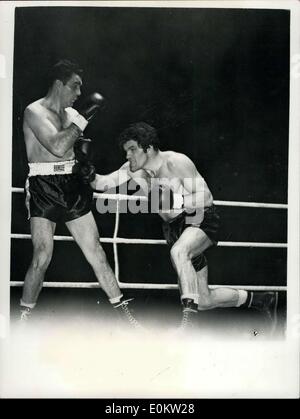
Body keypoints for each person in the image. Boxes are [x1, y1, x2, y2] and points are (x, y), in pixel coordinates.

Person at [91, 122, 278, 332]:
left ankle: (189, 325)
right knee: (204, 299)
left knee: (180, 252)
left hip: (198, 218)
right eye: (126, 151)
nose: (128, 156)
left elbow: (205, 197)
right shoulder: (132, 171)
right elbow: (101, 183)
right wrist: (83, 170)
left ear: (149, 147)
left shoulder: (176, 162)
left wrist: (174, 201)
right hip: (174, 229)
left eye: (132, 149)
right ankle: (262, 300)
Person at [20, 59, 141, 329]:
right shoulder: (34, 111)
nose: (78, 94)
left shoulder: (70, 115)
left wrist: (84, 165)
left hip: (71, 184)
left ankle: (125, 316)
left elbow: (73, 153)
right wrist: (84, 118)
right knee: (42, 255)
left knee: (96, 251)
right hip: (44, 186)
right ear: (59, 84)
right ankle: (23, 319)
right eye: (75, 87)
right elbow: (57, 146)